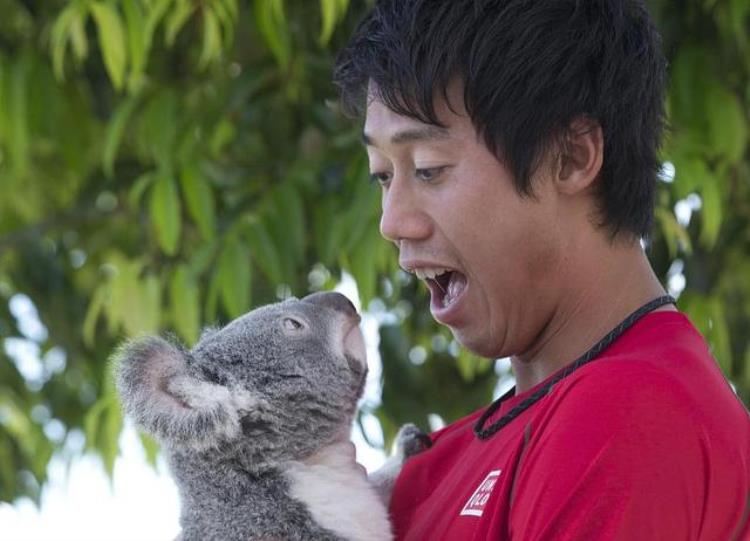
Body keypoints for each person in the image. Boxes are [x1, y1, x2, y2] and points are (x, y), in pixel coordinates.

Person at [333, 1, 750, 539]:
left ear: (571, 158)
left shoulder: (626, 417)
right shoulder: (427, 470)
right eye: (383, 175)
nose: (393, 222)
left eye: (429, 170)